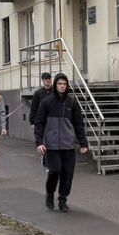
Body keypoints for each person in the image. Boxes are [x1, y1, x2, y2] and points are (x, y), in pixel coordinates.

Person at [34, 73, 89, 212]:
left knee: (67, 174)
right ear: (55, 85)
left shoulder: (72, 103)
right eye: (59, 84)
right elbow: (39, 123)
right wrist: (39, 142)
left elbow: (78, 124)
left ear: (67, 85)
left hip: (68, 144)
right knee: (55, 170)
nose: (62, 86)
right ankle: (49, 193)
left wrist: (83, 143)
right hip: (51, 145)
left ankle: (63, 200)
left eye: (64, 84)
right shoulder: (46, 102)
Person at [28, 71, 52, 168]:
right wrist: (32, 122)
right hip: (42, 121)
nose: (48, 81)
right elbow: (34, 108)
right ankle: (45, 159)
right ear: (42, 80)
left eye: (49, 78)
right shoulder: (38, 93)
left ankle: (49, 160)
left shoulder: (55, 92)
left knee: (52, 141)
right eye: (46, 79)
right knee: (45, 141)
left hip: (53, 120)